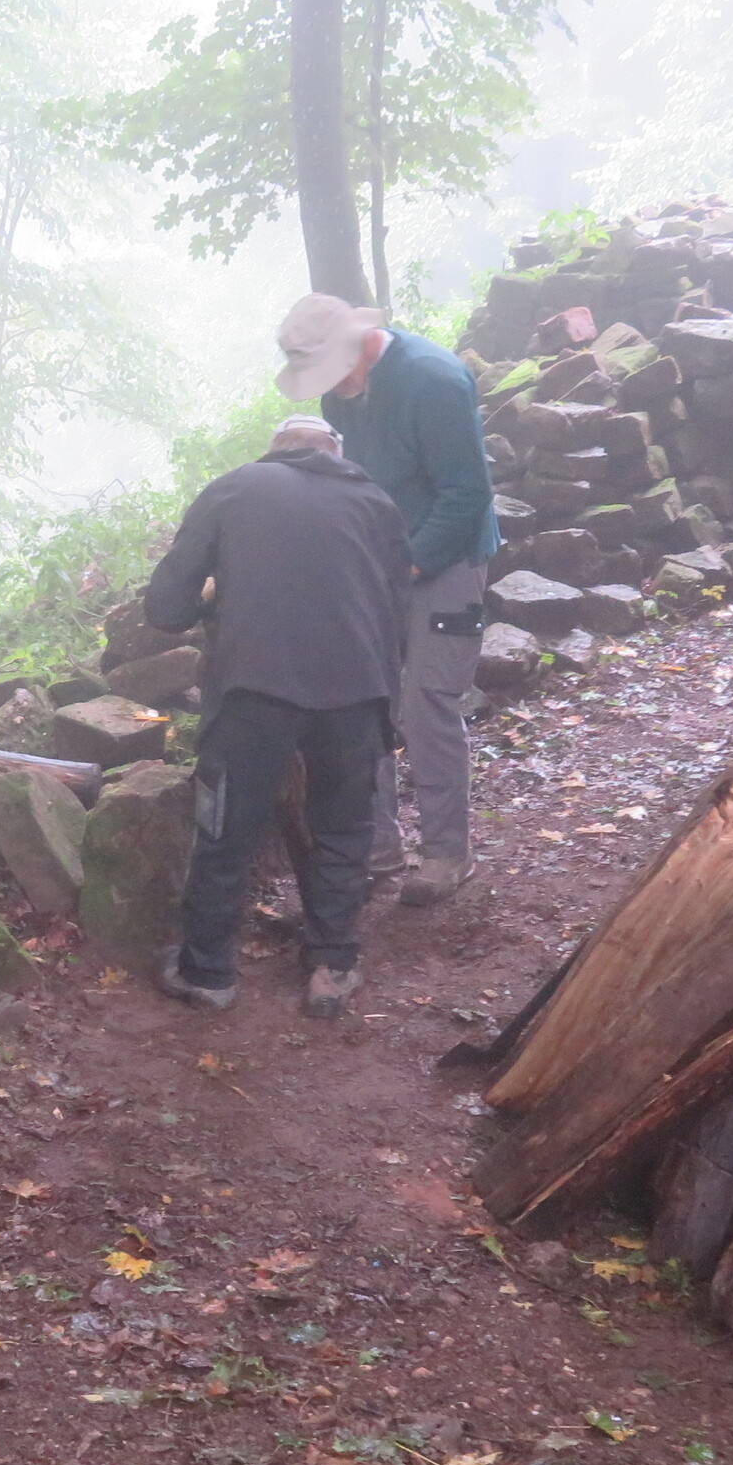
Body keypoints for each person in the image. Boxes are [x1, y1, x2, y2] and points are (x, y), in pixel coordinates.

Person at [143, 414, 409, 1020]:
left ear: (276, 452)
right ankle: (331, 967)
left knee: (225, 829)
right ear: (334, 453)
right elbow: (398, 611)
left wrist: (216, 598)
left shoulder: (234, 488)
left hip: (254, 692)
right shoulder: (376, 503)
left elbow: (165, 608)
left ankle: (208, 971)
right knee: (344, 829)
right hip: (357, 692)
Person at [275, 293, 498, 906]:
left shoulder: (434, 381)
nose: (329, 387)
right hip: (378, 563)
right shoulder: (340, 395)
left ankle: (447, 852)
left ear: (356, 346)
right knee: (364, 699)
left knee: (428, 703)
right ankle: (376, 841)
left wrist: (411, 563)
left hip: (448, 562)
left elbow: (467, 493)